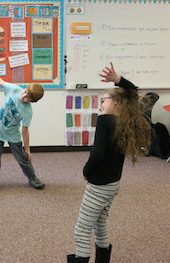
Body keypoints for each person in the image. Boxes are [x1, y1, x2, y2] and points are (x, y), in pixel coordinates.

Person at [67, 62, 151, 263]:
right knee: (99, 225)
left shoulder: (105, 120)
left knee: (82, 230)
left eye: (103, 100)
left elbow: (97, 154)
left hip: (99, 184)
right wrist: (118, 80)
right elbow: (133, 92)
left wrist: (86, 171)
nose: (100, 105)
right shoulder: (124, 122)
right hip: (113, 183)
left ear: (116, 101)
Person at [0, 70, 45, 196]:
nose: (24, 97)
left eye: (28, 98)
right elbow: (0, 81)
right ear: (24, 88)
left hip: (12, 133)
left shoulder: (27, 111)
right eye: (25, 93)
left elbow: (25, 130)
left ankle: (32, 177)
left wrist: (28, 149)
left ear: (32, 101)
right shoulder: (14, 89)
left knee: (22, 158)